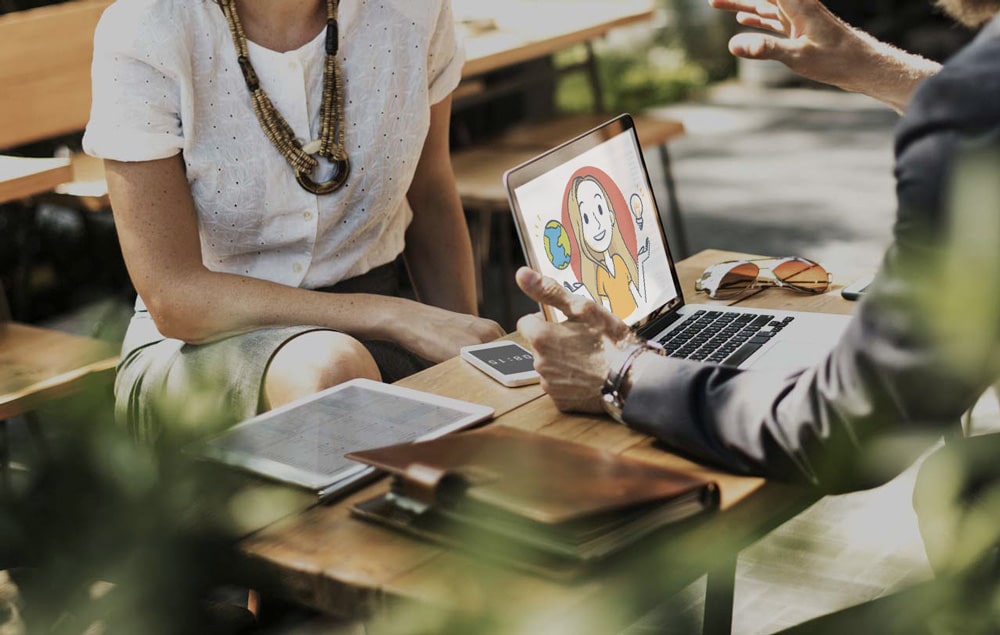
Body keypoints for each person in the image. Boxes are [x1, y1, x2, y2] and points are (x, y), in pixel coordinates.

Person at [518, 0, 1000, 492]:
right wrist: (868, 65)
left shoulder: (968, 119)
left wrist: (620, 371)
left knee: (954, 491)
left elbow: (842, 429)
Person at [83, 0, 504, 444]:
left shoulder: (415, 10)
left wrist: (467, 354)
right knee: (335, 371)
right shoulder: (146, 27)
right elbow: (175, 298)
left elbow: (432, 189)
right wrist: (391, 315)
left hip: (385, 333)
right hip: (203, 347)